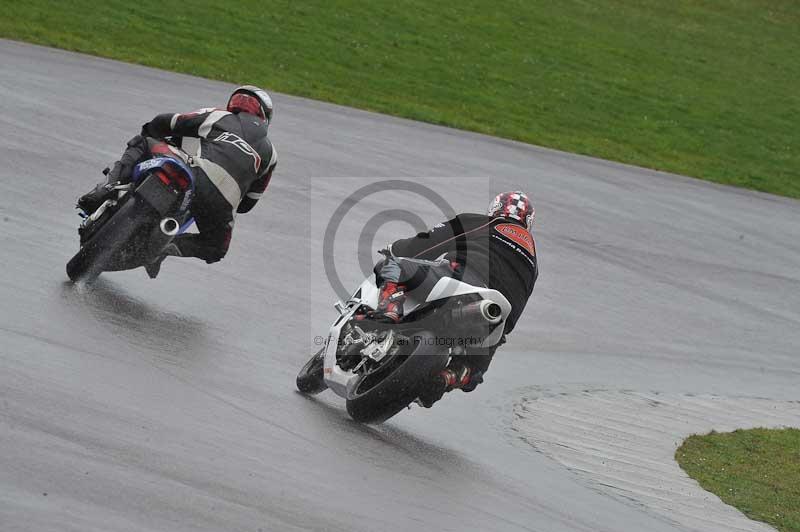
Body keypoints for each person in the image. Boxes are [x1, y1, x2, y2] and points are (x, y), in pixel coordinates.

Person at [77, 85, 278, 278]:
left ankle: (105, 189)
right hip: (223, 205)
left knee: (143, 142)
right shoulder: (271, 155)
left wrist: (153, 131)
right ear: (265, 116)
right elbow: (247, 204)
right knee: (215, 248)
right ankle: (165, 247)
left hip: (197, 174)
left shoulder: (220, 116)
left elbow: (169, 121)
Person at [371, 191, 538, 407]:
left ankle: (389, 311)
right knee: (474, 370)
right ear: (528, 222)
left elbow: (426, 243)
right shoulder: (533, 262)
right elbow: (518, 305)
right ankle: (446, 378)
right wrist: (500, 333)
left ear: (495, 209)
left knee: (392, 265)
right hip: (494, 315)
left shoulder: (482, 222)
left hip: (457, 279)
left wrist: (396, 248)